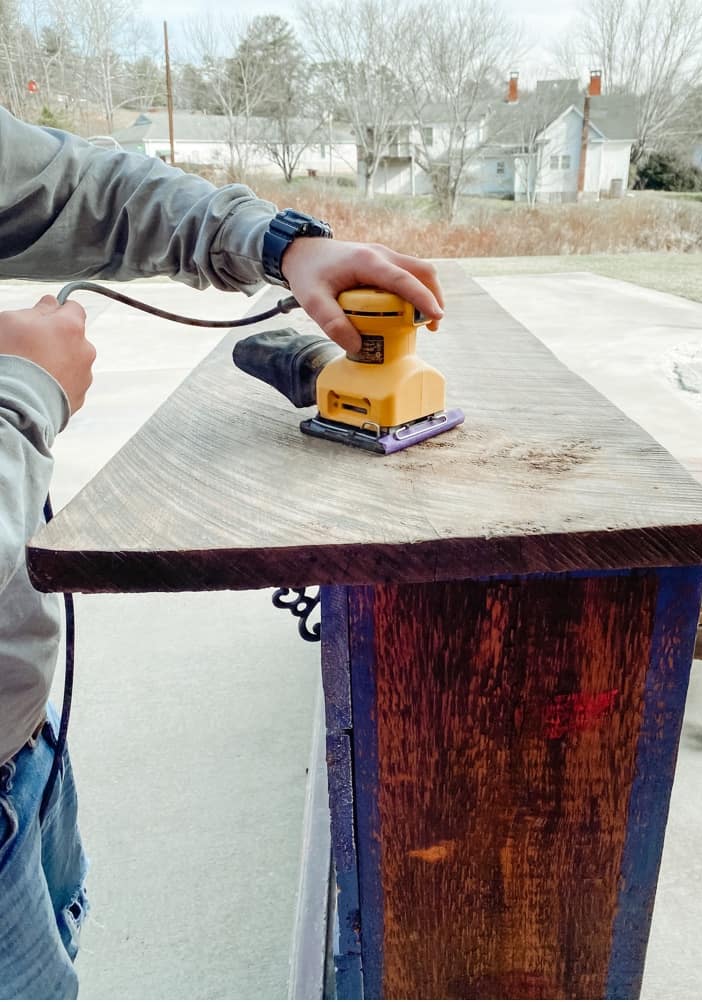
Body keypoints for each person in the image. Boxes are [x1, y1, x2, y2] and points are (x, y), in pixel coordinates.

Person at [0, 105, 444, 999]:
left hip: (19, 731)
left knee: (60, 945)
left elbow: (78, 186)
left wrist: (281, 243)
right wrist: (20, 395)